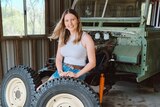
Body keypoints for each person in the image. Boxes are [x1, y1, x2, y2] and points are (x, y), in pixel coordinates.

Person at [48, 9, 96, 80]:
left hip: (78, 71)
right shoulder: (63, 37)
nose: (70, 23)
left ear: (78, 20)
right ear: (64, 23)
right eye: (66, 20)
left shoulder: (86, 38)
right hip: (63, 70)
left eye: (72, 19)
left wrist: (76, 75)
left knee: (62, 90)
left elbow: (92, 63)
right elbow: (58, 58)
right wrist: (60, 72)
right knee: (41, 89)